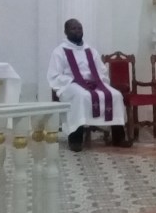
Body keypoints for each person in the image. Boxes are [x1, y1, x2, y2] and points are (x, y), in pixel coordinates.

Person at [47, 18, 130, 152]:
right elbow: (55, 75)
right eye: (74, 28)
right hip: (70, 83)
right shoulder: (60, 51)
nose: (77, 31)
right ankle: (75, 139)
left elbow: (101, 71)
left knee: (116, 95)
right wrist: (74, 81)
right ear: (66, 32)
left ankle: (118, 137)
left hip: (94, 83)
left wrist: (97, 81)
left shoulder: (90, 50)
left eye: (80, 28)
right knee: (82, 96)